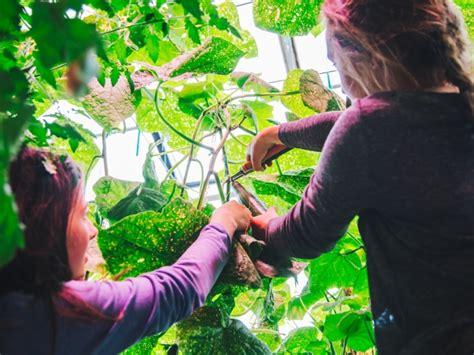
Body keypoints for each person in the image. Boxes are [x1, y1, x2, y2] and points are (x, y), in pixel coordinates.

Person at [248, 0, 473, 353]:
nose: (338, 77)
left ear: (362, 54)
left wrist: (263, 224)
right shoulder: (460, 102)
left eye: (335, 62)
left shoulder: (369, 127)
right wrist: (279, 134)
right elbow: (374, 130)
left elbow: (307, 234)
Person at [0, 147, 252, 354]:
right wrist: (224, 222)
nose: (93, 231)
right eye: (82, 215)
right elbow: (176, 291)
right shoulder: (54, 313)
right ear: (46, 226)